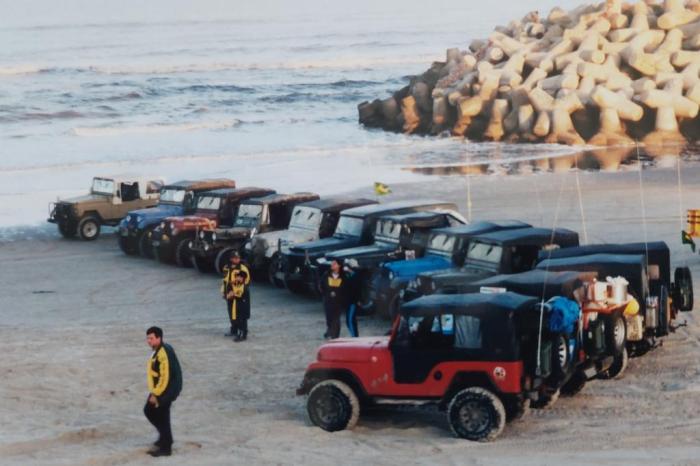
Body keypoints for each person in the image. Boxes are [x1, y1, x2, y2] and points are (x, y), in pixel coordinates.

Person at [144, 326, 182, 457]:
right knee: (149, 411)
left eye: (151, 338)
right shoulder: (158, 349)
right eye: (147, 338)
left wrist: (157, 395)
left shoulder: (163, 353)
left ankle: (166, 448)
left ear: (159, 338)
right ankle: (166, 438)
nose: (149, 341)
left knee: (162, 416)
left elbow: (165, 377)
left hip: (166, 390)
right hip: (161, 389)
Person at [320, 259, 357, 339]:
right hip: (328, 300)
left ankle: (335, 335)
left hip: (338, 301)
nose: (332, 265)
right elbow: (322, 285)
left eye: (334, 264)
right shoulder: (326, 275)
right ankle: (330, 330)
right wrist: (327, 294)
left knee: (336, 318)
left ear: (339, 265)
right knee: (329, 317)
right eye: (332, 263)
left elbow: (346, 288)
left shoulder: (343, 277)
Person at [221, 251, 251, 342]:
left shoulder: (242, 268)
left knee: (241, 314)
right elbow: (225, 281)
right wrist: (224, 292)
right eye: (234, 258)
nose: (237, 259)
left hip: (239, 295)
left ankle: (242, 333)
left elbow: (245, 282)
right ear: (231, 259)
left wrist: (235, 292)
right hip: (230, 294)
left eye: (238, 258)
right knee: (232, 313)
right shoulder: (226, 268)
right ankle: (234, 329)